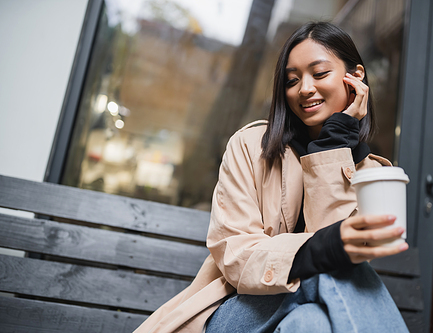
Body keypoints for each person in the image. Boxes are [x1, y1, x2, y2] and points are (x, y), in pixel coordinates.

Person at [135, 21, 410, 333]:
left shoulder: (373, 175)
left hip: (307, 316)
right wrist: (318, 251)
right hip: (235, 312)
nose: (305, 88)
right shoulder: (252, 146)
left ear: (356, 78)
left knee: (310, 324)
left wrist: (332, 147)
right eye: (292, 80)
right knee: (330, 265)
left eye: (319, 74)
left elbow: (331, 266)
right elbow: (235, 254)